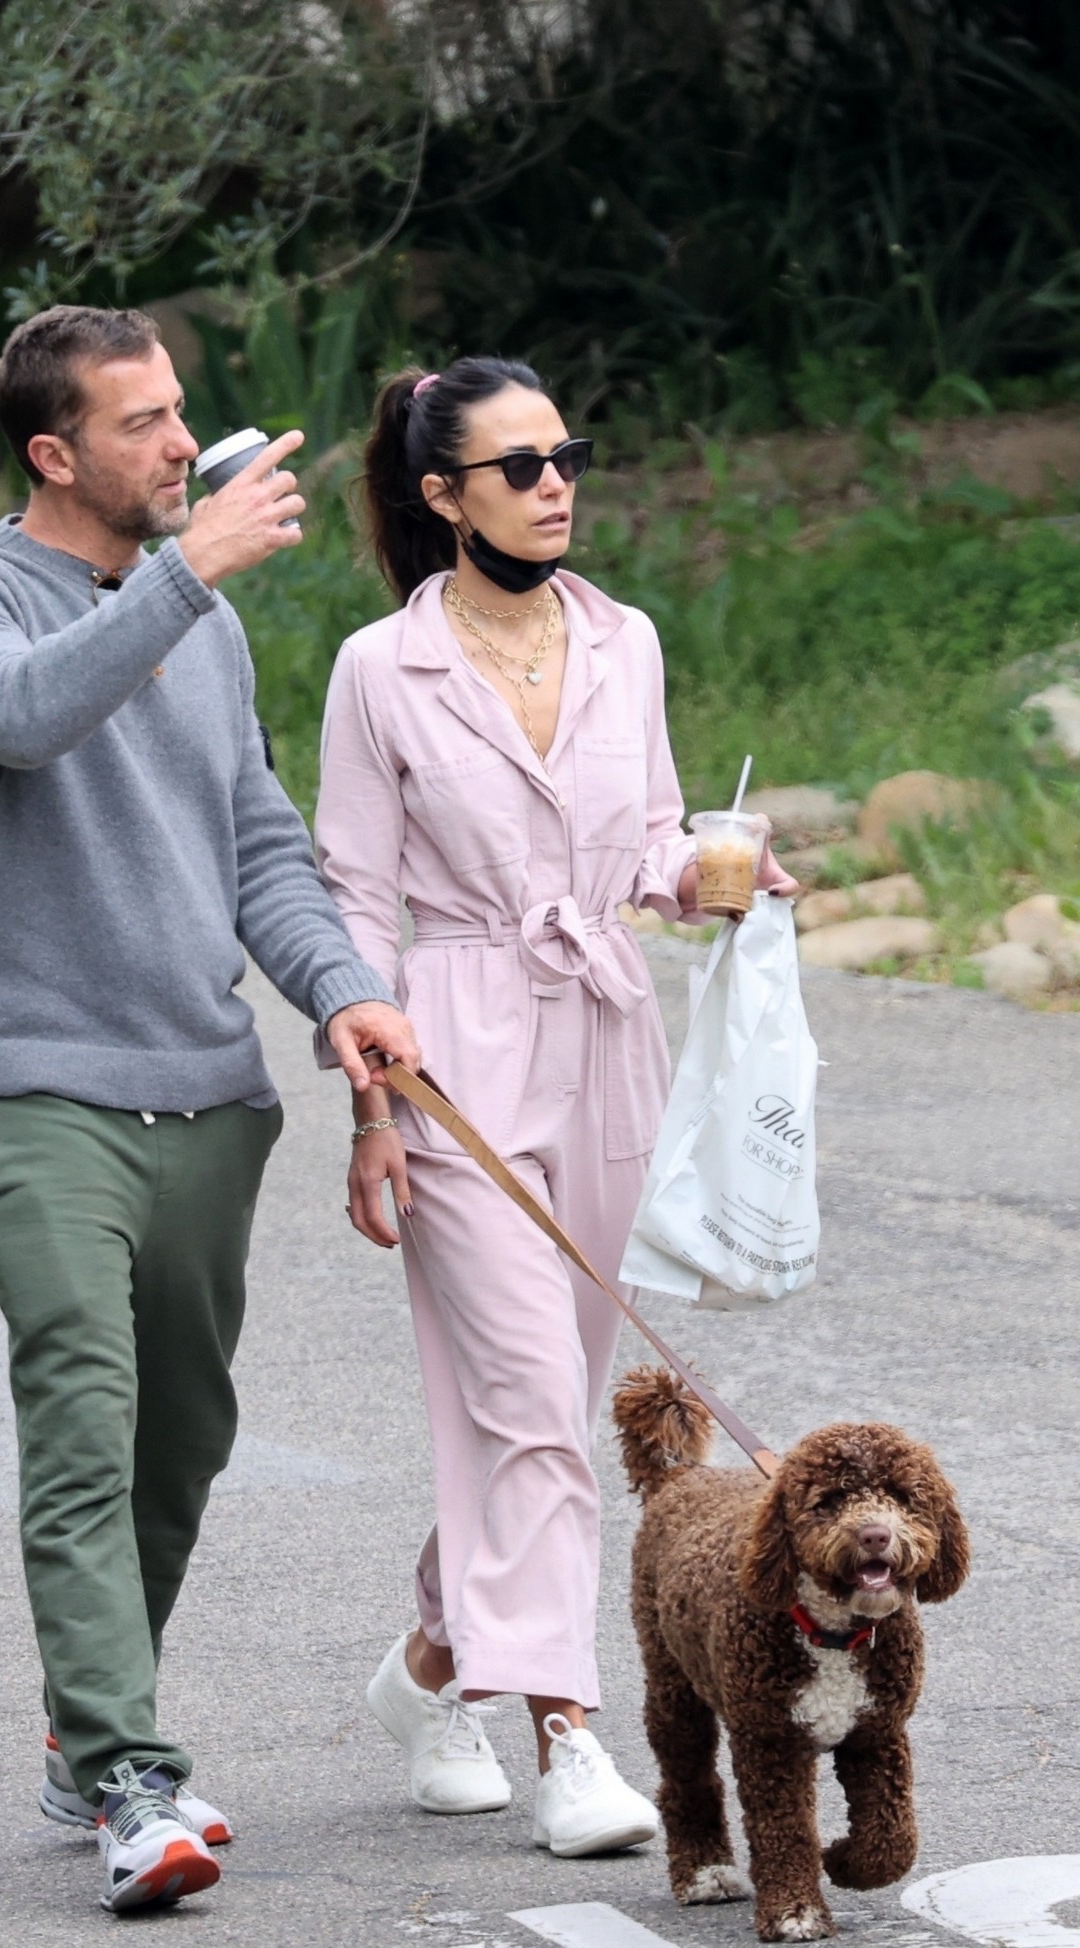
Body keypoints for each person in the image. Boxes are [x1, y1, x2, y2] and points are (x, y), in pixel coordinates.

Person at [0, 305, 417, 1913]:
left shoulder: (208, 618)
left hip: (207, 1099)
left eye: (180, 411)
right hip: (37, 1092)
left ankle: (81, 1736)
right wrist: (187, 575)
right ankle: (131, 1775)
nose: (185, 444)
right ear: (54, 454)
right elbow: (22, 712)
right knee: (81, 1420)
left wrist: (339, 992)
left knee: (180, 1443)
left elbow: (255, 838)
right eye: (142, 423)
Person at [313, 357, 793, 1856]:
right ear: (443, 495)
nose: (556, 484)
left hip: (603, 1030)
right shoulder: (378, 670)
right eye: (518, 466)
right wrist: (371, 1111)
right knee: (528, 1404)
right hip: (449, 1045)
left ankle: (429, 1669)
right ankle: (569, 1737)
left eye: (566, 455)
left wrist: (715, 874)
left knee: (543, 1413)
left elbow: (648, 837)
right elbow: (353, 895)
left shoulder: (625, 639)